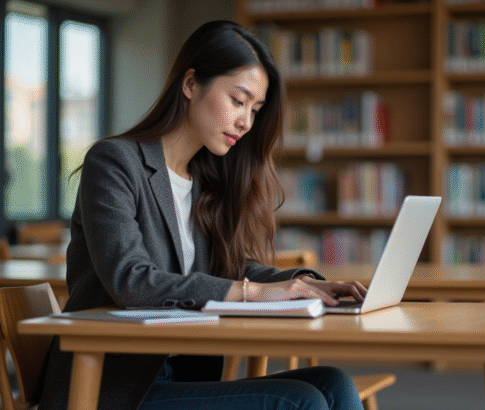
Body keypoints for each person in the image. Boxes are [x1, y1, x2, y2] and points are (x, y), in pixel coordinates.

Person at [37, 20, 367, 410]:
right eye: (238, 101)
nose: (246, 121)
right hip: (109, 387)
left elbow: (229, 271)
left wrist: (305, 284)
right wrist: (255, 293)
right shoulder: (114, 163)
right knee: (301, 401)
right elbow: (131, 280)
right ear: (191, 84)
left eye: (255, 109)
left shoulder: (203, 181)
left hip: (177, 373)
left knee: (334, 383)